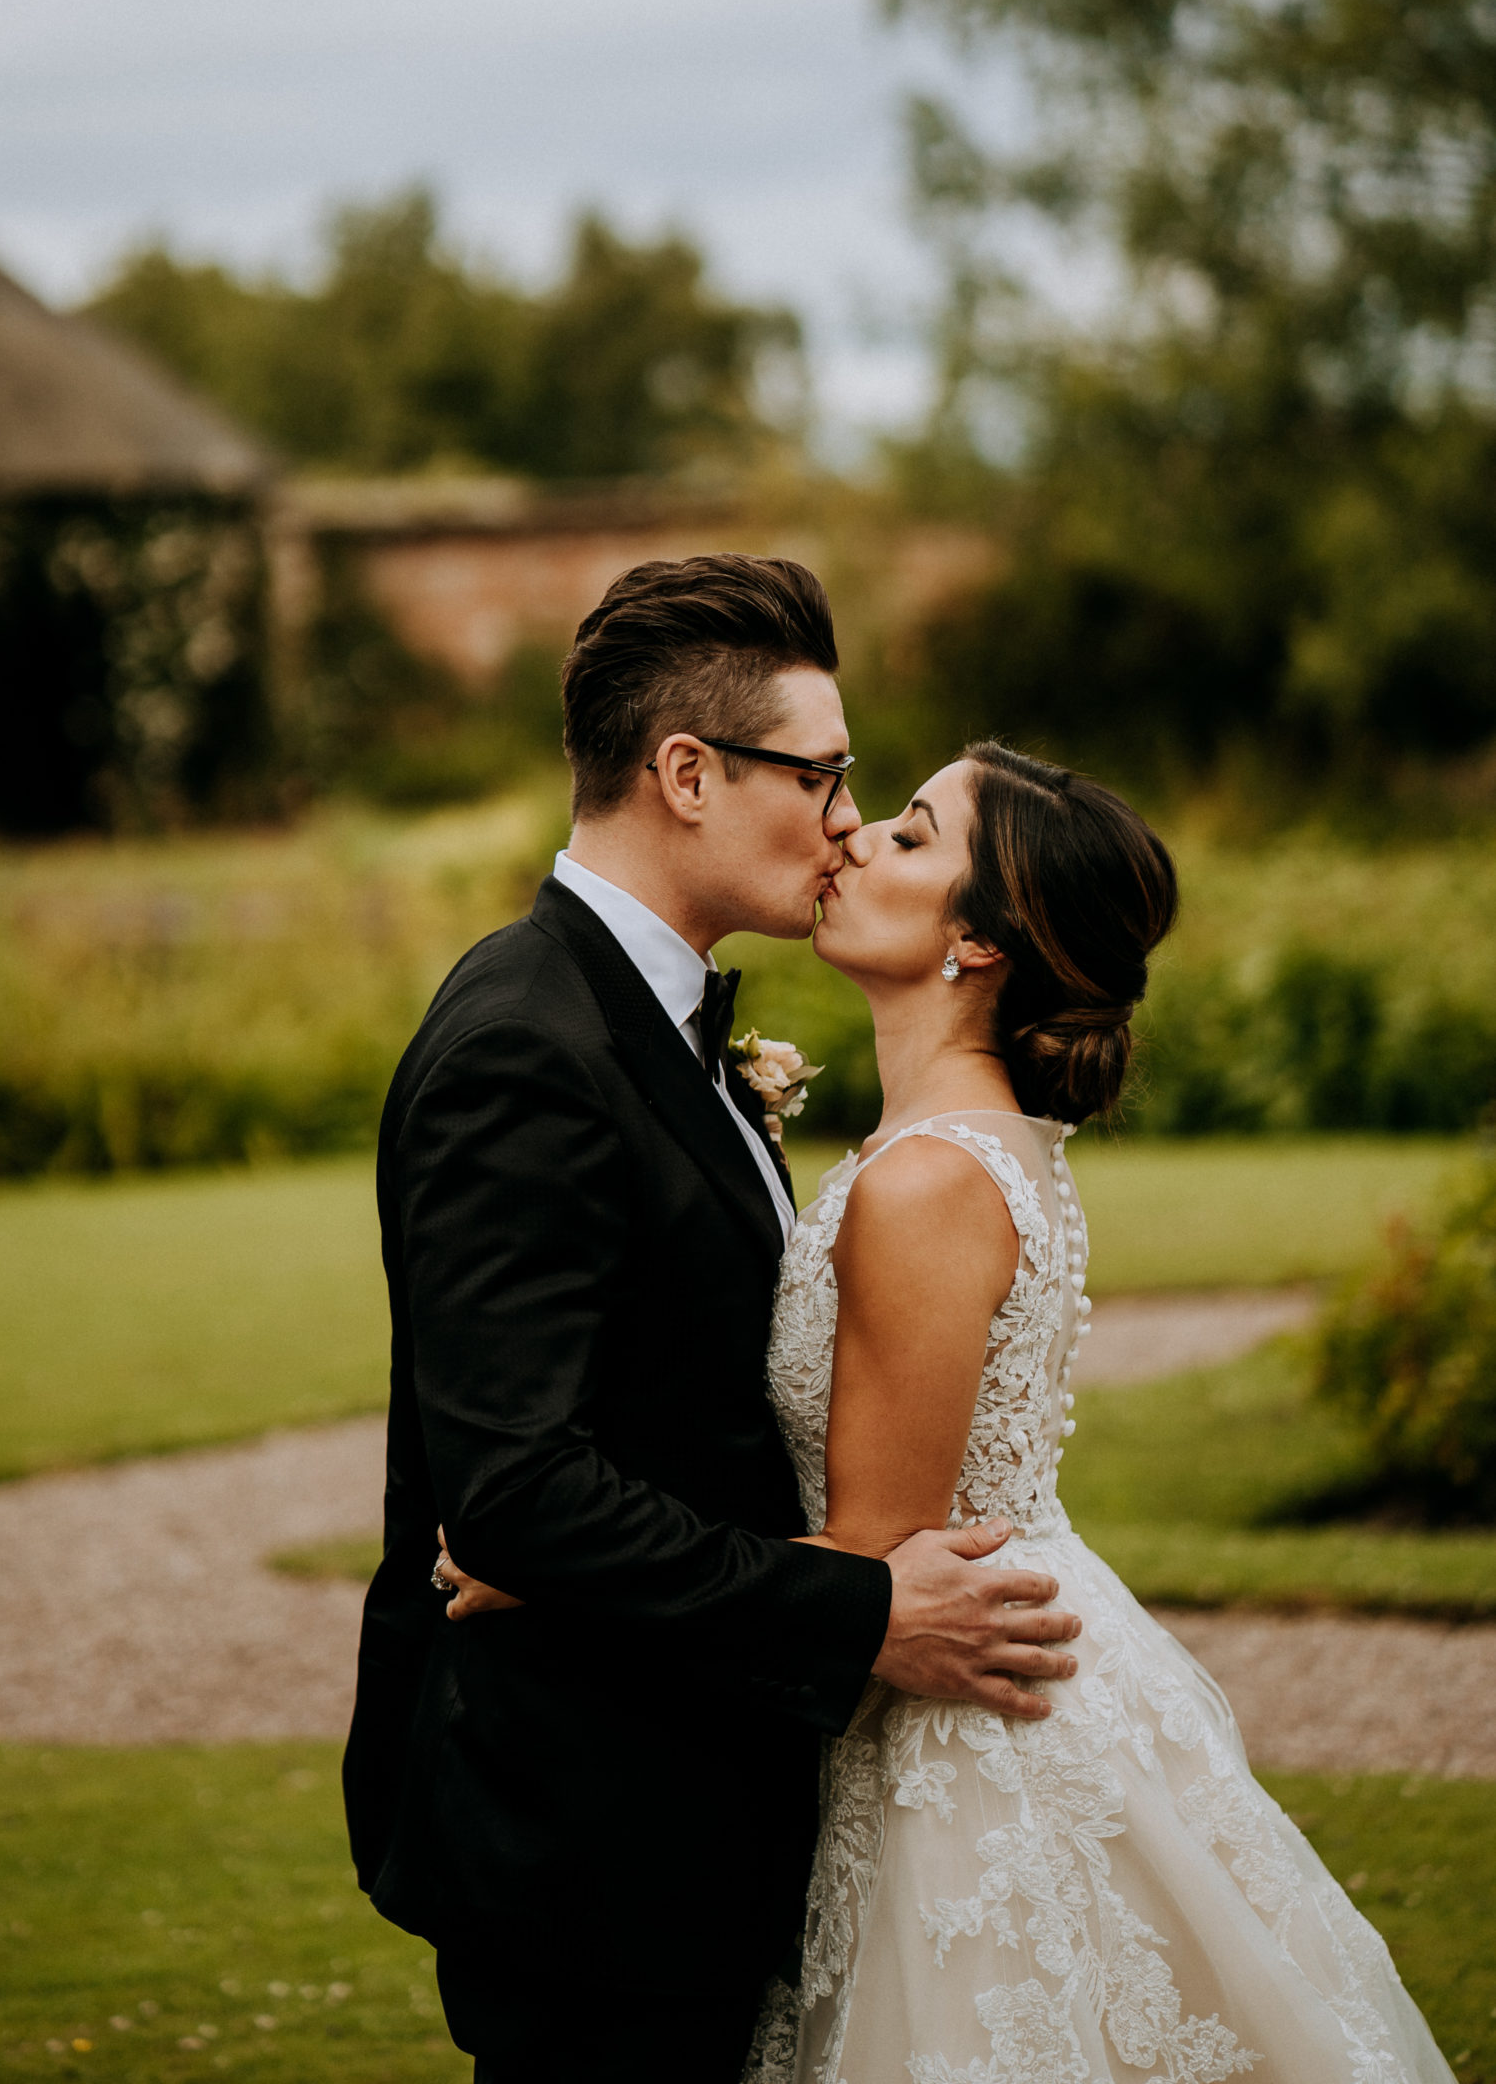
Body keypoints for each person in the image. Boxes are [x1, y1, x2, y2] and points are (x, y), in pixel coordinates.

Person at [342, 557, 1084, 2084]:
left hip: (684, 1801)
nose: (842, 820)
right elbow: (516, 1490)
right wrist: (858, 1609)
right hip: (586, 1829)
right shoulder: (526, 1046)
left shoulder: (660, 1026)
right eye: (820, 775)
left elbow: (668, 1418)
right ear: (686, 774)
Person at [738, 739, 1454, 2082]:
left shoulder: (927, 1183)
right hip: (1008, 1651)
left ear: (976, 943)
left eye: (909, 834)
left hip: (962, 1717)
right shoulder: (985, 1148)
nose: (854, 836)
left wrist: (559, 1579)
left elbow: (873, 1556)